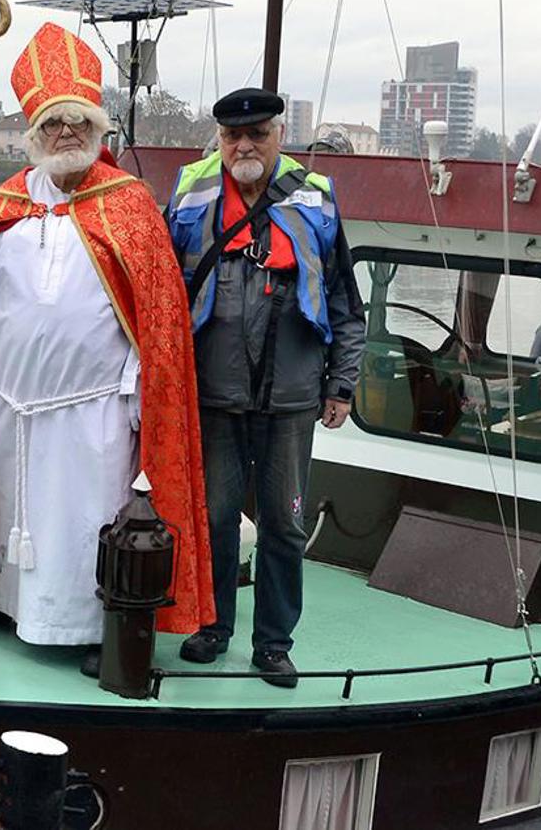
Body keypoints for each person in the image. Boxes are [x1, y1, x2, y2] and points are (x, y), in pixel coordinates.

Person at [0, 22, 214, 672]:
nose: (65, 133)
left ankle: (87, 628)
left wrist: (135, 392)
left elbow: (153, 321)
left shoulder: (128, 208)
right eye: (50, 123)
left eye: (77, 121)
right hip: (2, 401)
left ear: (99, 130)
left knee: (79, 525)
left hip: (88, 408)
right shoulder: (7, 203)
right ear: (32, 132)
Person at [166, 87, 366, 688]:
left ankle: (274, 644)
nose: (244, 145)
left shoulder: (316, 199)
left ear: (280, 134)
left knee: (283, 523)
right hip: (214, 393)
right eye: (233, 136)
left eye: (258, 133)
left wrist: (343, 384)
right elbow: (162, 294)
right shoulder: (189, 192)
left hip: (293, 397)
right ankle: (212, 627)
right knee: (217, 518)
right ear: (220, 140)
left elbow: (344, 302)